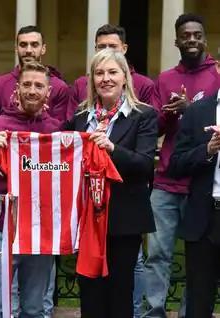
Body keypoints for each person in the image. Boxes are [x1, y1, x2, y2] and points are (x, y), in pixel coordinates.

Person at [65, 48, 157, 318]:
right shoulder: (80, 119)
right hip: (88, 219)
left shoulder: (144, 115)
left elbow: (143, 165)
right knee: (90, 292)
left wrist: (111, 148)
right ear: (92, 79)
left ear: (125, 78)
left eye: (112, 72)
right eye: (99, 73)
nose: (105, 78)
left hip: (124, 218)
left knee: (120, 292)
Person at [0, 62, 60, 318]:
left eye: (39, 86)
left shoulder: (56, 132)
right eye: (26, 84)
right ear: (16, 89)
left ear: (48, 92)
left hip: (41, 232)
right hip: (2, 229)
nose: (32, 90)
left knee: (34, 309)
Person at [144, 14, 220, 318]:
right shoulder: (165, 79)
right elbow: (156, 128)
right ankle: (155, 312)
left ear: (204, 39)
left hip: (200, 185)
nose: (192, 40)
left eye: (197, 35)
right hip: (166, 179)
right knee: (158, 254)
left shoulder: (215, 77)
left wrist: (193, 112)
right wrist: (172, 115)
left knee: (198, 261)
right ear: (176, 41)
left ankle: (191, 312)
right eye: (185, 35)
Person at [168, 87, 220, 318]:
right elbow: (176, 165)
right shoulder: (197, 111)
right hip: (205, 219)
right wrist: (208, 150)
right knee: (198, 302)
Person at [69, 24, 154, 111]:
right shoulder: (80, 84)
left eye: (113, 46)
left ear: (124, 49)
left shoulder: (144, 84)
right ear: (96, 49)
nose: (107, 50)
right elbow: (71, 121)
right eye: (101, 47)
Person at [0, 25, 70, 123]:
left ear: (43, 49)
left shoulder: (59, 87)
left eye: (34, 45)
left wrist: (41, 113)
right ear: (16, 48)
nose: (28, 51)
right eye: (23, 45)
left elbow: (59, 130)